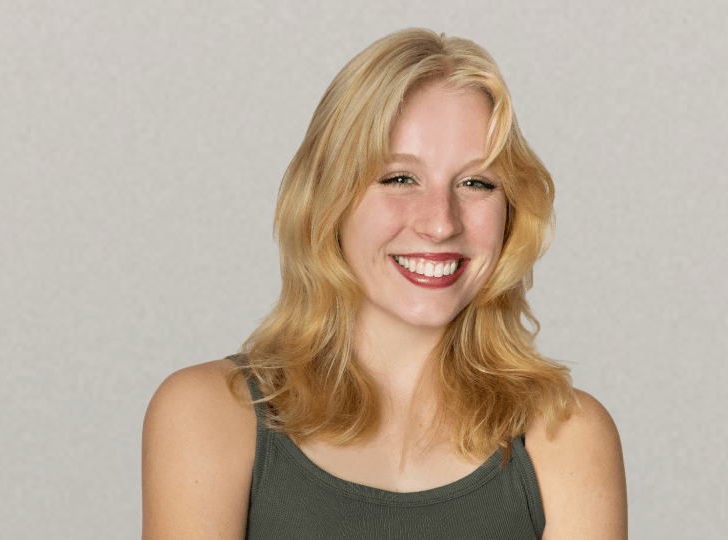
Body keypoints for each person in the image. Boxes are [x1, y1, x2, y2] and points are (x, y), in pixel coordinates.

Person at [142, 28, 627, 539]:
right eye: (399, 178)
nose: (441, 223)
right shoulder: (208, 414)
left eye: (476, 183)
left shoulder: (566, 436)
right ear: (328, 200)